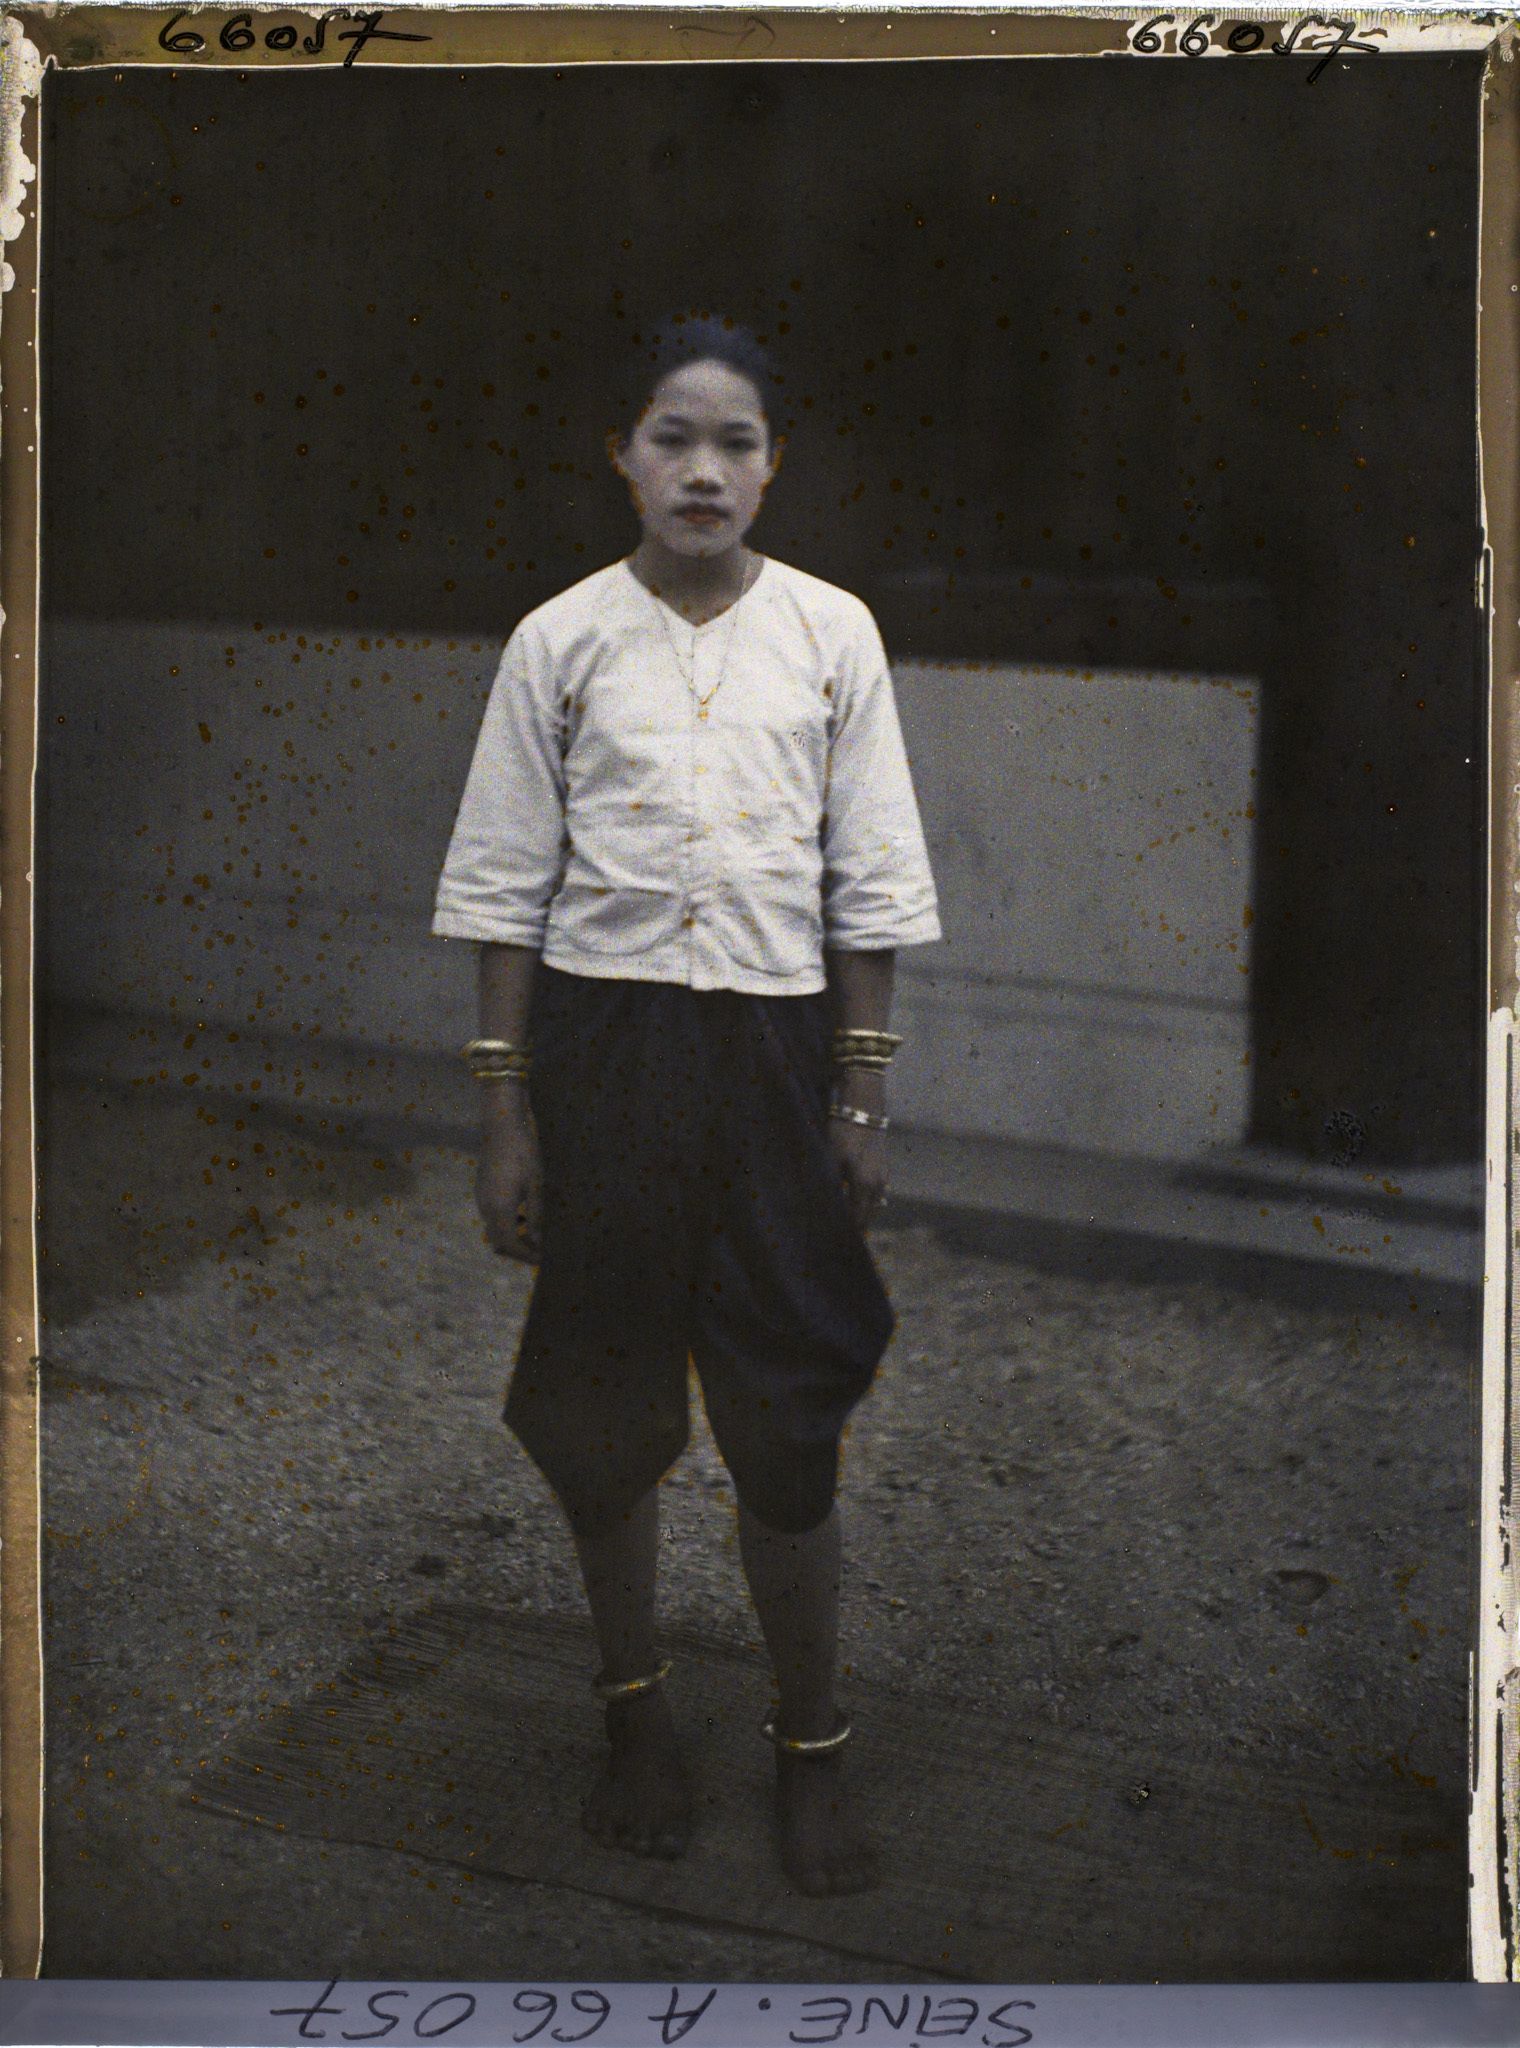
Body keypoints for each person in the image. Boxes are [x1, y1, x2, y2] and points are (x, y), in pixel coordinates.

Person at [432, 315, 940, 1896]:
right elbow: (507, 890)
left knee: (788, 1408)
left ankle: (811, 1744)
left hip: (783, 1069)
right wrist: (508, 1113)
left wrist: (861, 1093)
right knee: (606, 1399)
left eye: (735, 443)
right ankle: (634, 1713)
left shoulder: (830, 635)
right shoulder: (559, 641)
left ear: (775, 464)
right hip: (607, 1060)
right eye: (672, 437)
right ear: (622, 456)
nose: (704, 470)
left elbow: (867, 879)